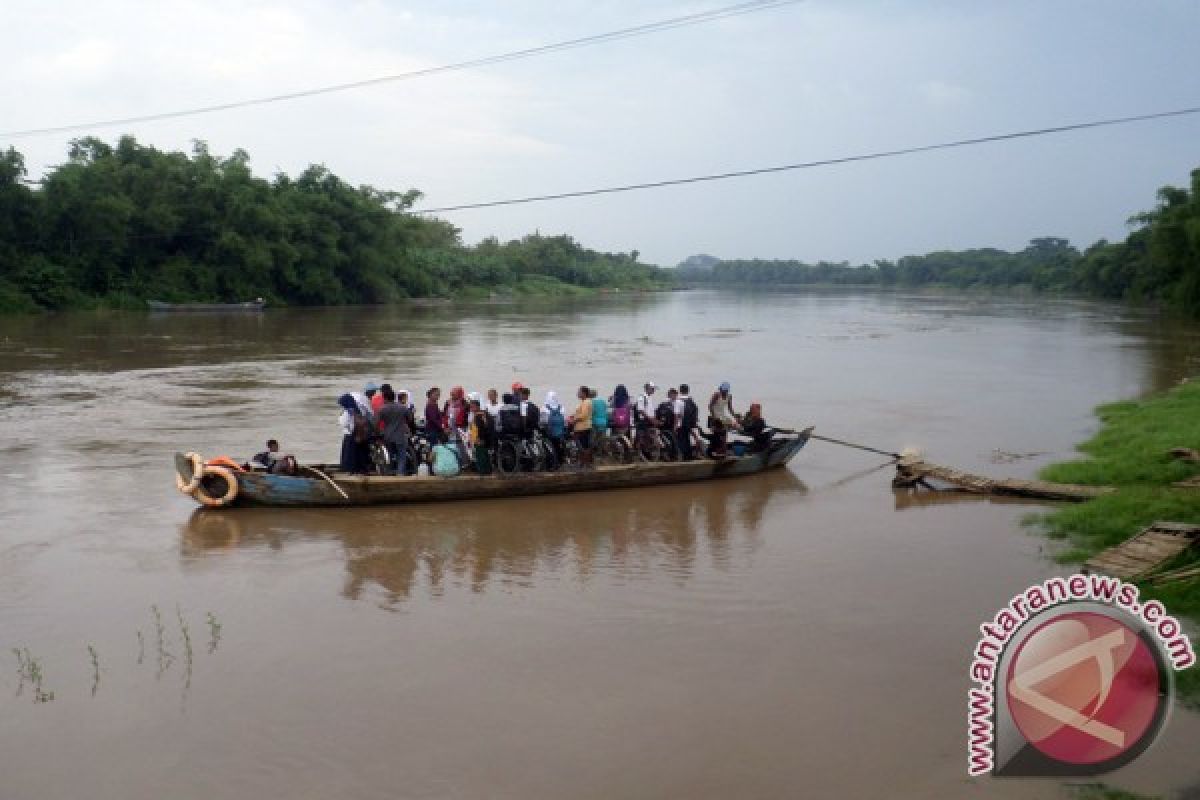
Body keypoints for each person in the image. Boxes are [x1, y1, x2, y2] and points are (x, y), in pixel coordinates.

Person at [377, 386, 413, 476]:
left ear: (385, 398)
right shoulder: (402, 407)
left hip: (388, 436)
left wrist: (378, 433)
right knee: (401, 456)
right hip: (400, 436)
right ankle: (400, 474)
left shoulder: (382, 409)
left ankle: (389, 473)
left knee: (389, 456)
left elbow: (375, 422)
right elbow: (410, 418)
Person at [338, 393, 370, 474]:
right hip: (361, 434)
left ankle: (350, 470)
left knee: (350, 455)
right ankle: (362, 469)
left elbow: (344, 423)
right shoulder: (359, 408)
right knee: (361, 453)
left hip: (350, 434)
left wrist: (340, 417)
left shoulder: (347, 412)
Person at [707, 381, 738, 457]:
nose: (723, 391)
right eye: (722, 390)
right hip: (716, 416)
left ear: (727, 390)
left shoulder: (729, 396)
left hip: (723, 416)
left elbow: (730, 408)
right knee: (717, 434)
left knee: (725, 433)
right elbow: (710, 406)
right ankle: (717, 450)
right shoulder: (716, 395)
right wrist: (714, 416)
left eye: (725, 390)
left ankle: (723, 450)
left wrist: (735, 416)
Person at [469, 399, 494, 474]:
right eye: (470, 407)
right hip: (484, 438)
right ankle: (488, 470)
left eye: (472, 407)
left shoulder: (479, 416)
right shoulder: (484, 413)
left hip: (480, 439)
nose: (471, 409)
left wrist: (480, 438)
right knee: (485, 454)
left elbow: (481, 428)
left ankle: (483, 471)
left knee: (481, 455)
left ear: (477, 406)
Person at [543, 390, 567, 462]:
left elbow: (543, 421)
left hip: (550, 432)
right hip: (560, 432)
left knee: (550, 446)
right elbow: (565, 420)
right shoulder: (561, 407)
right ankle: (560, 460)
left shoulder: (544, 408)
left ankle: (551, 461)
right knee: (558, 445)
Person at [574, 385, 594, 468]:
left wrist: (574, 419)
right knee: (583, 445)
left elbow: (583, 415)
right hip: (583, 426)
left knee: (583, 446)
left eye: (579, 392)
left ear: (584, 393)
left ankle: (585, 463)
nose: (578, 393)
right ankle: (584, 463)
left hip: (583, 427)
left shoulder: (586, 402)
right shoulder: (584, 402)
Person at [678, 383, 700, 460]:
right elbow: (695, 411)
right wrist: (694, 423)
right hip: (689, 423)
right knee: (687, 439)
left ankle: (683, 455)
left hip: (680, 423)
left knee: (681, 439)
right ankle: (688, 455)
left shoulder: (678, 399)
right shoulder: (690, 400)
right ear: (688, 391)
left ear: (680, 390)